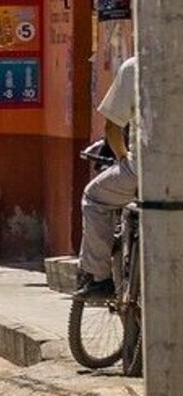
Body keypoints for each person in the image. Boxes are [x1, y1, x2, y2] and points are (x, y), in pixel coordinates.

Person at [75, 55, 138, 299]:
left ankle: (99, 277)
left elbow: (112, 128)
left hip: (145, 170)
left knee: (94, 197)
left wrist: (123, 158)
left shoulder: (135, 66)